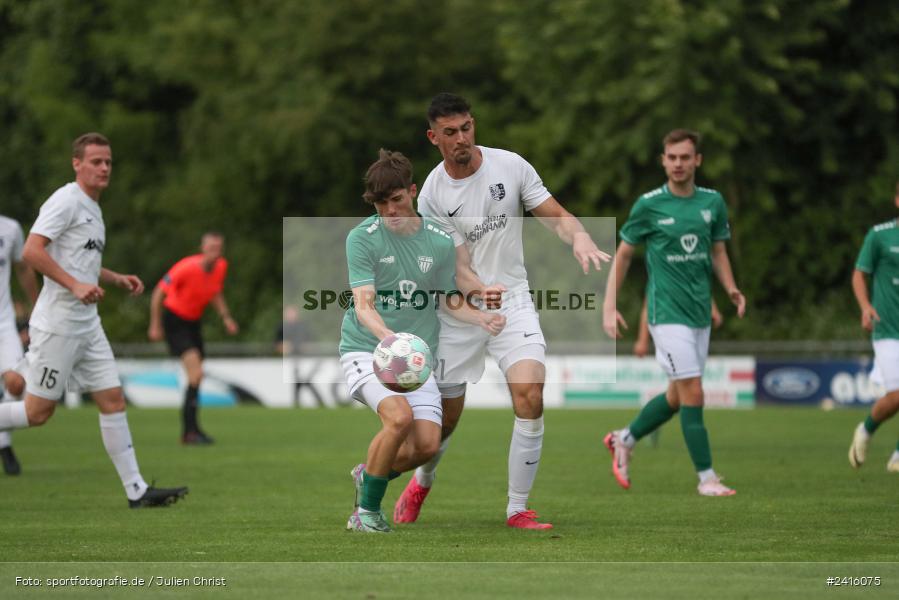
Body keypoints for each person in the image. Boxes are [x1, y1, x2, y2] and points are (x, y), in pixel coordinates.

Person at [395, 93, 609, 530]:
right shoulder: (433, 194)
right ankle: (422, 480)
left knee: (530, 394)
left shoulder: (510, 166)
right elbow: (456, 266)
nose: (462, 139)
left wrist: (580, 236)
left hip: (512, 299)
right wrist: (478, 294)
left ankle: (517, 509)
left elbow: (555, 215)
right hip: (459, 309)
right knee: (445, 422)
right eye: (451, 132)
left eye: (467, 127)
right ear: (433, 137)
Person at [0, 133, 187, 507]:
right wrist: (73, 285)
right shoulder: (66, 200)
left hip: (88, 324)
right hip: (58, 325)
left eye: (108, 162)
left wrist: (113, 278)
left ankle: (137, 491)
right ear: (77, 164)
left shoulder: (93, 208)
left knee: (113, 400)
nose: (104, 168)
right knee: (38, 413)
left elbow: (81, 262)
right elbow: (32, 251)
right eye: (96, 161)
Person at [341, 149, 505, 533]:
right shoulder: (361, 239)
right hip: (367, 349)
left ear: (412, 192)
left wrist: (480, 315)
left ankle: (370, 475)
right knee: (398, 418)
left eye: (396, 200)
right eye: (381, 204)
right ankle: (365, 514)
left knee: (428, 445)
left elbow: (448, 299)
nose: (390, 211)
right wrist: (389, 340)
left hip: (416, 358)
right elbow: (363, 305)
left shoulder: (438, 240)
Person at [602, 128, 746, 497]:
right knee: (694, 392)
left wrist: (729, 288)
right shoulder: (648, 205)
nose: (679, 163)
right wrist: (609, 305)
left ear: (697, 160)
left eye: (686, 157)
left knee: (676, 396)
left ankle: (625, 438)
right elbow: (624, 255)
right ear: (663, 161)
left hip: (699, 313)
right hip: (666, 315)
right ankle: (707, 478)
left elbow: (717, 252)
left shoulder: (712, 203)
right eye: (672, 157)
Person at [148, 232, 238, 445]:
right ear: (203, 248)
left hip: (193, 322)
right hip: (175, 320)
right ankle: (189, 431)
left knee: (196, 377)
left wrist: (226, 317)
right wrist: (155, 324)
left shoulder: (221, 267)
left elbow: (215, 291)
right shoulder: (186, 268)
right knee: (196, 373)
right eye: (211, 248)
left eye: (219, 248)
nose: (215, 253)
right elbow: (158, 293)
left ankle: (192, 430)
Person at [848, 181, 899, 473]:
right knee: (896, 396)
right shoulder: (880, 236)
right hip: (888, 328)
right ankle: (866, 430)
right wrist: (866, 307)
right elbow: (859, 275)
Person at [0, 215, 39, 474]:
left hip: (3, 323)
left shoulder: (10, 228)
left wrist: (38, 307)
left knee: (16, 382)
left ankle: (3, 440)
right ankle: (4, 446)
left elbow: (23, 268)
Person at [633, 297, 722, 358]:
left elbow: (701, 284)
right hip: (670, 329)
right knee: (687, 378)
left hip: (693, 328)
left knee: (682, 379)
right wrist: (642, 340)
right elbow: (649, 306)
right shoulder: (661, 275)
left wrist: (712, 306)